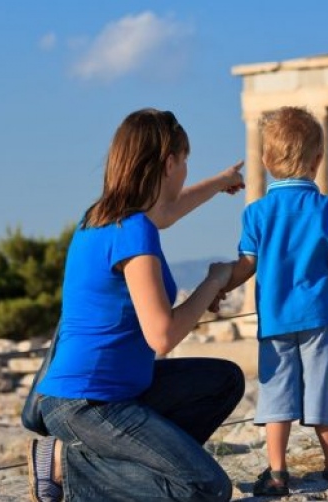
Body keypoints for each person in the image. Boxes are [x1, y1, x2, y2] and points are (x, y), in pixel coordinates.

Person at [27, 108, 247, 502]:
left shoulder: (102, 217)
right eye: (185, 162)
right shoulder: (133, 232)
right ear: (169, 163)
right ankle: (66, 465)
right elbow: (163, 336)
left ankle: (140, 468)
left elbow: (165, 212)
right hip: (87, 402)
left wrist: (221, 183)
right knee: (206, 488)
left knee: (223, 381)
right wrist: (212, 281)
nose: (185, 173)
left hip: (118, 392)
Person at [212, 106, 328, 497]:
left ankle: (277, 473)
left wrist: (220, 286)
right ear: (318, 160)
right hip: (320, 316)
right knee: (321, 391)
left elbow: (247, 265)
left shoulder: (256, 213)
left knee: (275, 394)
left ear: (265, 160)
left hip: (275, 320)